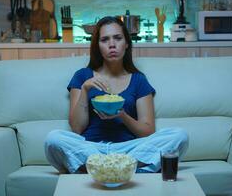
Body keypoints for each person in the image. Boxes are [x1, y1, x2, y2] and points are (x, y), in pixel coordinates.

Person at [44, 16, 189, 173]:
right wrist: (85, 90)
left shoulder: (139, 80)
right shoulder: (83, 76)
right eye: (105, 40)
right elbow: (77, 128)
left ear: (126, 43)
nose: (112, 45)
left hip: (129, 150)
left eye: (118, 38)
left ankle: (102, 169)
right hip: (91, 149)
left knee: (179, 135)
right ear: (97, 46)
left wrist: (122, 116)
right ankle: (126, 170)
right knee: (53, 139)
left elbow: (148, 131)